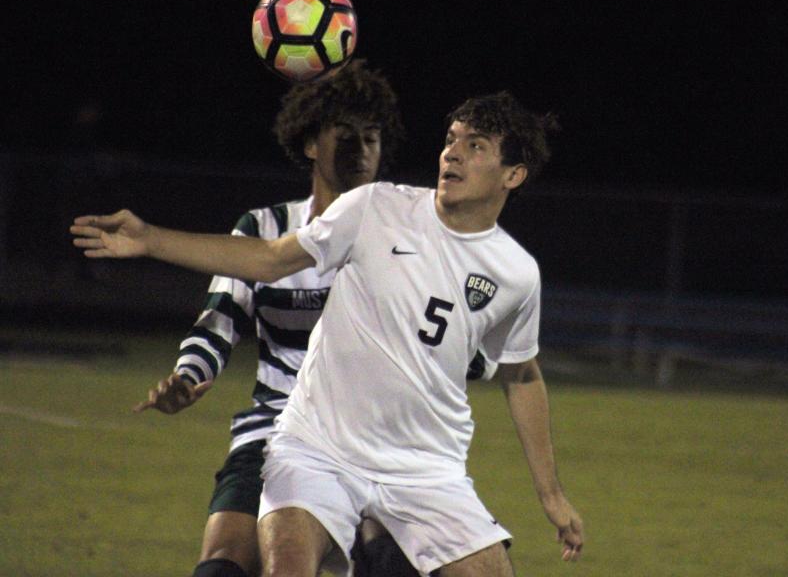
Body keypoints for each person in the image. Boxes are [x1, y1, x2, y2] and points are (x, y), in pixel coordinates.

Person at [71, 90, 584, 576]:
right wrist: (152, 239)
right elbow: (270, 261)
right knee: (285, 565)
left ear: (513, 174)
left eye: (476, 146)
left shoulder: (516, 273)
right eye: (452, 139)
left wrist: (552, 495)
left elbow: (521, 376)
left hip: (426, 467)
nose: (453, 153)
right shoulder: (376, 207)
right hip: (319, 448)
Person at [128, 60, 430, 577]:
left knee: (395, 565)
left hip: (373, 440)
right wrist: (189, 375)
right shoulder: (265, 227)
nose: (361, 151)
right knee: (223, 566)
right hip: (276, 429)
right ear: (310, 143)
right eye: (345, 136)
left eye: (372, 137)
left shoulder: (407, 237)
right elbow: (219, 321)